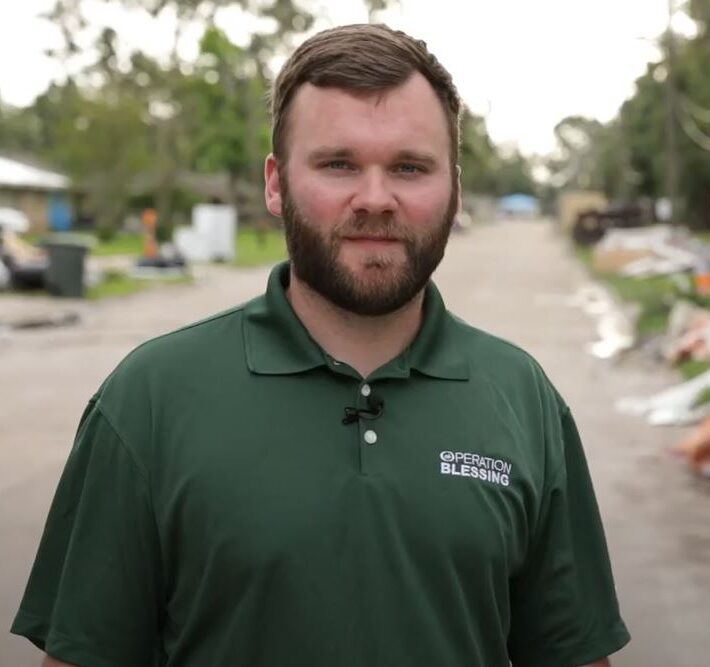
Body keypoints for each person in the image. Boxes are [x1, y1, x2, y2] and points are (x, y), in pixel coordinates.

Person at [11, 24, 629, 667]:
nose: (375, 199)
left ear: (455, 189)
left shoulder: (523, 400)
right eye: (338, 164)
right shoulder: (148, 400)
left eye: (410, 167)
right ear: (275, 184)